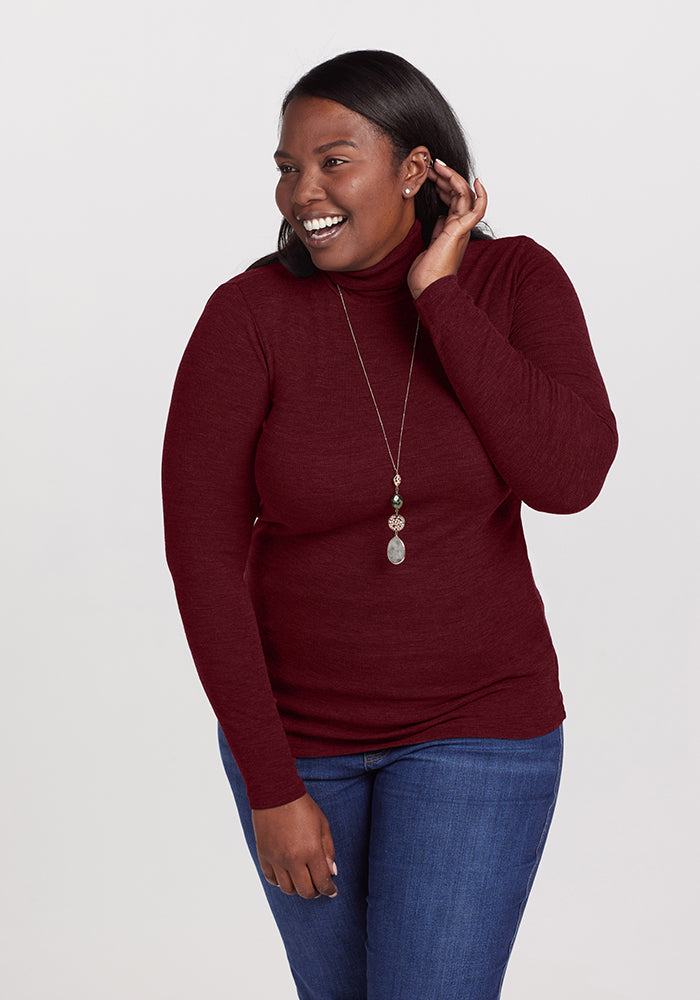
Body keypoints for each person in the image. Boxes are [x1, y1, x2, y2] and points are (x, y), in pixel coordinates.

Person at [162, 49, 617, 1000]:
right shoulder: (246, 316)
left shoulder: (514, 285)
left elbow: (568, 480)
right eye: (288, 166)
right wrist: (271, 783)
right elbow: (201, 558)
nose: (303, 191)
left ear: (415, 170)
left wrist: (440, 296)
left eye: (335, 161)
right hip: (298, 742)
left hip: (478, 730)